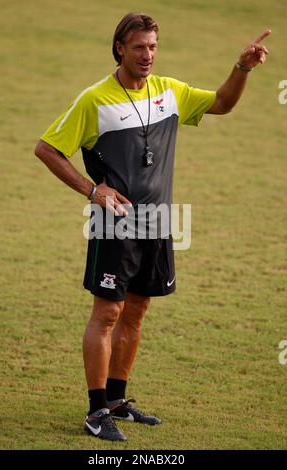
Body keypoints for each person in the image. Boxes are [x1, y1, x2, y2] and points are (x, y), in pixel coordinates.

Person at [35, 12, 271, 441]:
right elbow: (47, 148)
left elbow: (222, 103)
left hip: (159, 220)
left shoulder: (170, 92)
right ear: (120, 48)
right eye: (140, 47)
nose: (148, 55)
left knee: (138, 311)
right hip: (116, 223)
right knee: (107, 312)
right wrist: (92, 191)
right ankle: (94, 412)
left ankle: (117, 401)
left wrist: (242, 69)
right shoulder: (95, 100)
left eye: (153, 47)